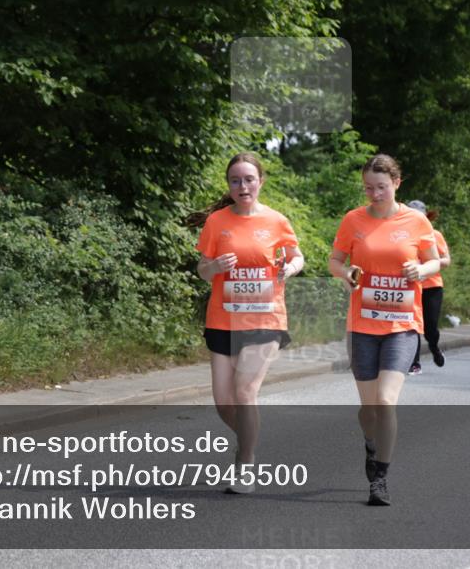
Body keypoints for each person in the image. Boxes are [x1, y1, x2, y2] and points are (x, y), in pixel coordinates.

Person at [329, 154, 440, 505]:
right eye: (368, 188)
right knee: (369, 409)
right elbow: (335, 260)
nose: (374, 194)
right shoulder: (353, 220)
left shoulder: (416, 221)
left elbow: (435, 260)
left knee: (387, 401)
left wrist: (420, 272)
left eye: (381, 187)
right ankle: (371, 443)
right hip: (362, 324)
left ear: (396, 183)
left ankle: (380, 478)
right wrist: (345, 274)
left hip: (402, 324)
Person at [190, 153, 304, 494]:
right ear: (229, 186)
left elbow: (297, 256)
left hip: (265, 318)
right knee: (223, 403)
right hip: (223, 318)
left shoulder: (276, 221)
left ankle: (246, 463)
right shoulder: (217, 222)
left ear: (260, 181)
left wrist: (290, 268)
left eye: (249, 179)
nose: (243, 186)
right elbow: (202, 269)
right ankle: (248, 441)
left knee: (245, 392)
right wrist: (216, 268)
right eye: (236, 181)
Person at [406, 200, 451, 374]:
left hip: (431, 286)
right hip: (409, 286)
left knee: (430, 326)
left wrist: (428, 263)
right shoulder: (401, 235)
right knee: (411, 324)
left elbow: (446, 261)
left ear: (425, 217)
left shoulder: (434, 235)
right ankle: (414, 362)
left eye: (419, 215)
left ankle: (434, 347)